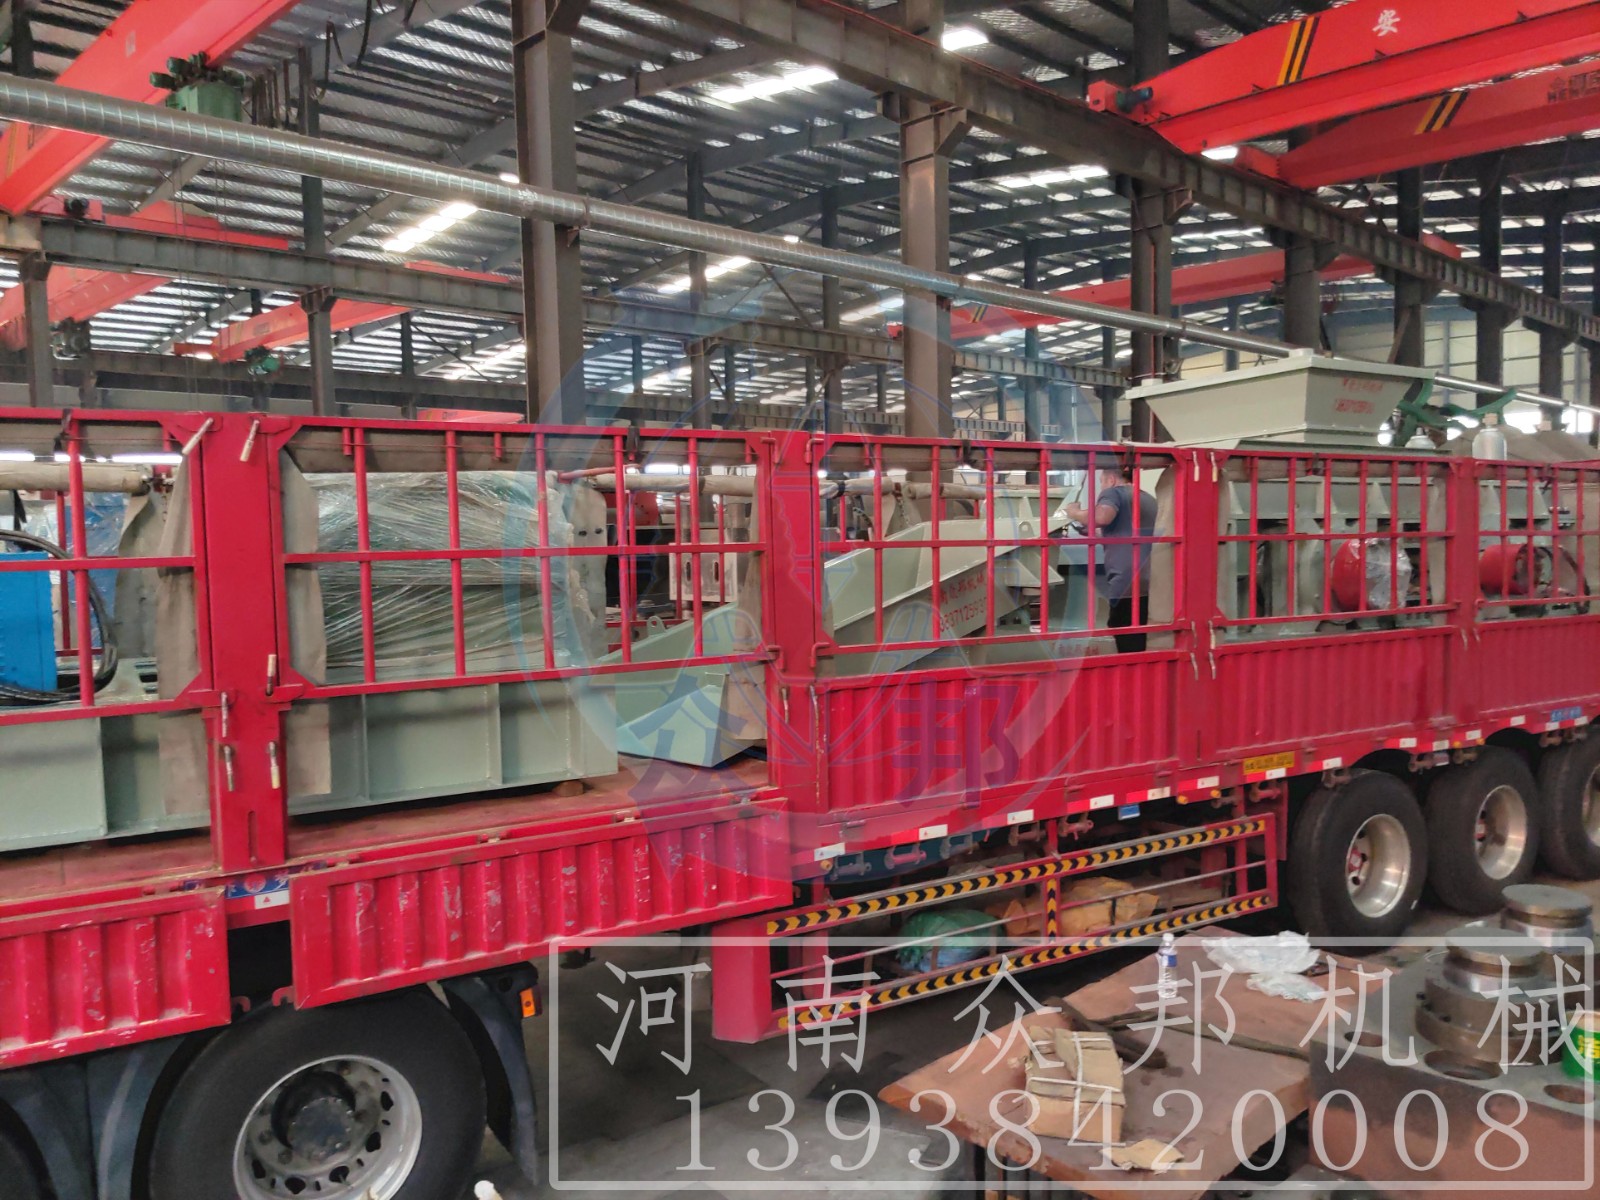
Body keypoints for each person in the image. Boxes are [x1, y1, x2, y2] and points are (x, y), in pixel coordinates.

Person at [1064, 462, 1157, 652]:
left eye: (1101, 482)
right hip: (1149, 581)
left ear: (1112, 479)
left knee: (1124, 635)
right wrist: (1087, 530)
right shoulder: (1147, 498)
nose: (1101, 487)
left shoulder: (1114, 493)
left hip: (1125, 581)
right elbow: (1125, 534)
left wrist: (1075, 513)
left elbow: (1101, 517)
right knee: (1140, 636)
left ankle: (1129, 670)